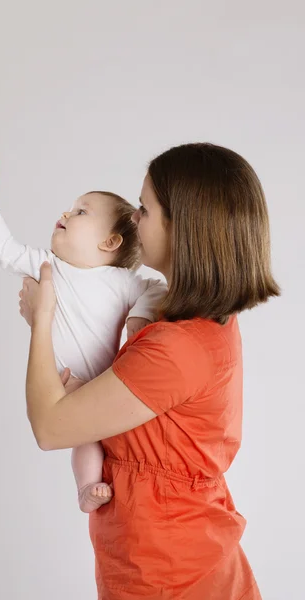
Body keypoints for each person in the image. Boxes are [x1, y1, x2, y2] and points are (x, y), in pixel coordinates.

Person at [19, 143, 279, 599]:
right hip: (163, 560)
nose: (134, 220)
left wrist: (43, 320)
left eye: (144, 208)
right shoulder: (179, 318)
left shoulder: (178, 347)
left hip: (171, 576)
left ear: (184, 227)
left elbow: (50, 427)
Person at [0, 167, 167, 512]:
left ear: (109, 242)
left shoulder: (123, 282)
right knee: (86, 441)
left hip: (107, 387)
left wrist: (140, 316)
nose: (65, 214)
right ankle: (86, 487)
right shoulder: (48, 265)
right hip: (62, 386)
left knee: (106, 438)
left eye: (81, 212)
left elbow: (158, 288)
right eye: (71, 208)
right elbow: (4, 248)